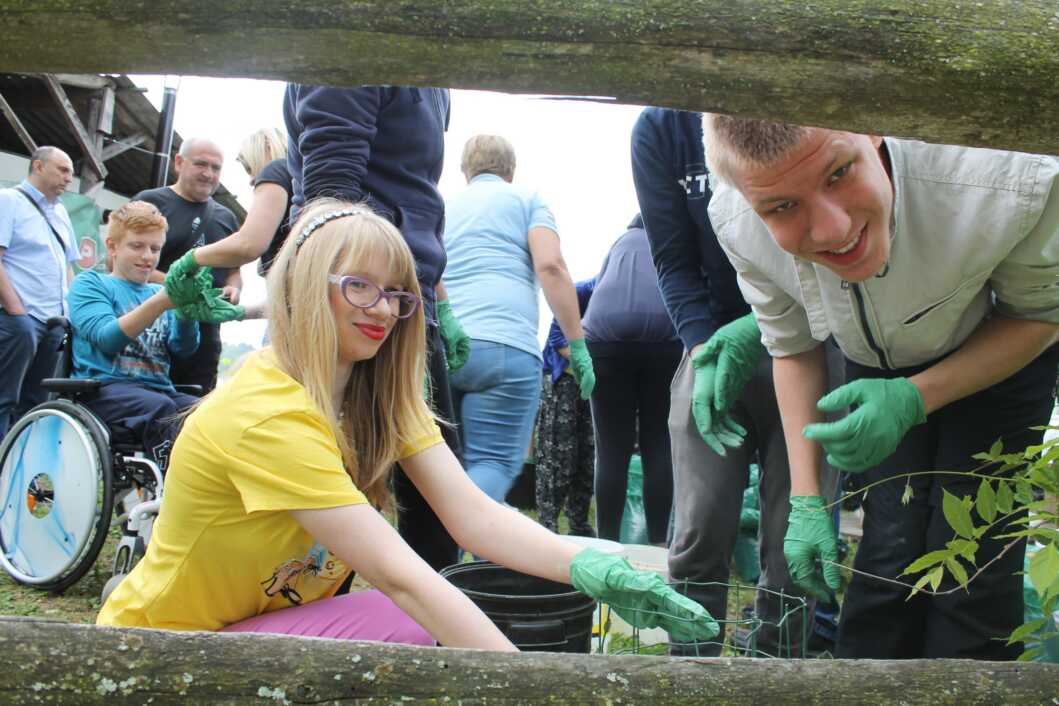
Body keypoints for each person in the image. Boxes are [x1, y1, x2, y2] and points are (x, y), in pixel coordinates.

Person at [96, 199, 720, 651]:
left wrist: (592, 566)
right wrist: (522, 686)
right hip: (168, 645)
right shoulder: (266, 413)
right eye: (359, 286)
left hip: (255, 624)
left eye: (397, 293)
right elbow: (404, 578)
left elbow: (474, 516)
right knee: (424, 621)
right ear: (307, 288)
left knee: (428, 623)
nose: (384, 310)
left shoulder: (373, 395)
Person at [702, 114, 1059, 659]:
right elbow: (794, 346)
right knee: (889, 549)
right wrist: (806, 501)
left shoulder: (1008, 178)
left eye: (839, 173)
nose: (833, 229)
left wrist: (916, 397)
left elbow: (1040, 314)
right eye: (782, 206)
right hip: (874, 364)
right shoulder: (737, 219)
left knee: (972, 561)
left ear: (873, 130)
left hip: (1002, 351)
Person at [631, 108, 828, 656]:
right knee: (698, 528)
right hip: (713, 344)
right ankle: (689, 672)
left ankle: (776, 669)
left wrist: (762, 326)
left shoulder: (786, 108)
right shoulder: (660, 130)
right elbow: (672, 259)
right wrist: (701, 347)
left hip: (809, 337)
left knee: (793, 541)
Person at [283, 84, 469, 571]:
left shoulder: (437, 82)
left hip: (406, 294)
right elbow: (330, 190)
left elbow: (416, 196)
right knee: (334, 472)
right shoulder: (360, 47)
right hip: (356, 295)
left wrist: (436, 301)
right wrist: (352, 294)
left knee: (434, 481)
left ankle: (437, 621)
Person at [442, 135, 595, 503]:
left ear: (466, 170)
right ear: (511, 170)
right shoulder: (529, 201)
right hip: (506, 347)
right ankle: (478, 546)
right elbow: (551, 266)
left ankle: (446, 553)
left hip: (444, 347)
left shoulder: (444, 208)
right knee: (492, 464)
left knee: (445, 465)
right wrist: (577, 343)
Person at [67, 201, 199, 471]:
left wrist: (187, 312)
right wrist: (161, 302)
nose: (148, 257)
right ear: (113, 247)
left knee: (209, 409)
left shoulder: (156, 293)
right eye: (137, 246)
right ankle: (173, 485)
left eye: (155, 248)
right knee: (162, 409)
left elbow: (183, 350)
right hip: (104, 389)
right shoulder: (90, 284)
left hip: (157, 389)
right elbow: (107, 339)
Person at [581, 215, 682, 545]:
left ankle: (606, 542)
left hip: (605, 339)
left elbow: (597, 289)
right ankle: (657, 544)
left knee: (611, 450)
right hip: (664, 339)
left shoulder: (618, 245)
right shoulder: (669, 239)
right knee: (658, 444)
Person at [133, 137, 242, 394]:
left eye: (216, 168)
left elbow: (234, 271)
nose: (208, 174)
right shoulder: (150, 203)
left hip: (205, 332)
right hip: (153, 328)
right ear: (179, 163)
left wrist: (232, 289)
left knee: (196, 406)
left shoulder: (226, 217)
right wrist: (185, 290)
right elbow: (124, 262)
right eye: (201, 164)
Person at [0, 146, 79, 438]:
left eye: (70, 172)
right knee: (5, 398)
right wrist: (16, 312)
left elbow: (68, 266)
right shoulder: (9, 200)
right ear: (38, 166)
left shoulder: (60, 212)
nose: (69, 178)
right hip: (21, 318)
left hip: (54, 322)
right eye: (63, 169)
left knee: (36, 403)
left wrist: (69, 311)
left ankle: (19, 473)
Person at [166, 128, 293, 301]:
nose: (251, 179)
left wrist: (192, 259)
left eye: (249, 167)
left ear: (268, 148)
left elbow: (248, 245)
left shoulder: (276, 170)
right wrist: (241, 313)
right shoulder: (304, 183)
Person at [536, 278, 596, 536]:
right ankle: (547, 527)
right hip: (564, 383)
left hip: (595, 386)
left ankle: (579, 526)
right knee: (558, 457)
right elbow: (558, 339)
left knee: (588, 456)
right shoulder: (581, 292)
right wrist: (586, 359)